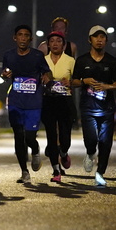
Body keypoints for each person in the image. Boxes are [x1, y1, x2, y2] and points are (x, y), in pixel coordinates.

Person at [72, 26, 116, 187]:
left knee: (106, 142)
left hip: (107, 108)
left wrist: (108, 86)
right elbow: (73, 82)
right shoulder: (82, 60)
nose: (99, 40)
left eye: (102, 37)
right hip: (88, 107)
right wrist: (84, 81)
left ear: (106, 40)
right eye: (96, 37)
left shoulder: (112, 61)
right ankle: (90, 153)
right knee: (91, 139)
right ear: (90, 40)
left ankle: (100, 173)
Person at [1, 24, 51, 184]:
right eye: (20, 35)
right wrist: (5, 75)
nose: (23, 38)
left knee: (29, 136)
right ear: (15, 38)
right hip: (15, 101)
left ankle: (35, 150)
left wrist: (47, 77)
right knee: (18, 136)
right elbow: (4, 73)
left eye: (26, 35)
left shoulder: (37, 55)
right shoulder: (8, 55)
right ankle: (24, 171)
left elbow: (47, 71)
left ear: (31, 39)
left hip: (33, 102)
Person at [41, 31, 76, 183]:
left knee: (64, 137)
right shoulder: (42, 60)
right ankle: (56, 169)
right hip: (48, 101)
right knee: (51, 136)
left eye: (59, 41)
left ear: (64, 44)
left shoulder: (70, 61)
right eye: (52, 41)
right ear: (48, 45)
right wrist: (41, 78)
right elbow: (35, 78)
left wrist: (71, 82)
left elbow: (79, 80)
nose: (55, 44)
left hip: (65, 101)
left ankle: (63, 153)